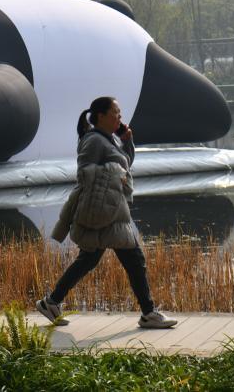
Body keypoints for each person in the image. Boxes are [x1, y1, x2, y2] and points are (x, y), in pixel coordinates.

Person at [35, 96, 177, 329]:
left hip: (111, 210)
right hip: (104, 212)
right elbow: (85, 173)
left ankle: (52, 301)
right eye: (116, 113)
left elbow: (124, 165)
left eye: (120, 114)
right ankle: (149, 313)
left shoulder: (108, 139)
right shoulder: (93, 141)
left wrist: (127, 142)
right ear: (101, 115)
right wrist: (113, 173)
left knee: (90, 259)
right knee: (133, 259)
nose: (120, 118)